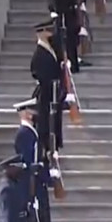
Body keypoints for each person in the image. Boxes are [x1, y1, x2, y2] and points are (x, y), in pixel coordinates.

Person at [30, 19, 64, 156]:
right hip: (46, 92)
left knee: (55, 120)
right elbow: (36, 72)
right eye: (48, 30)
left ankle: (54, 144)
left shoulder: (50, 47)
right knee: (46, 121)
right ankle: (47, 147)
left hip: (54, 91)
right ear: (42, 33)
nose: (51, 32)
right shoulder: (39, 53)